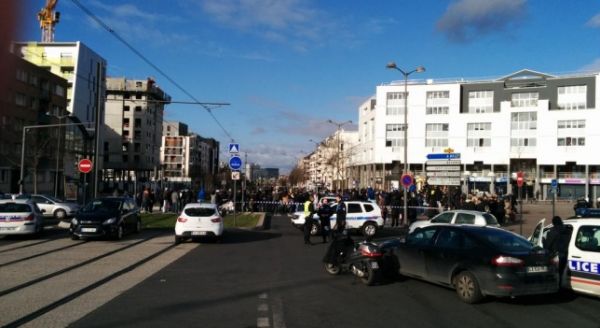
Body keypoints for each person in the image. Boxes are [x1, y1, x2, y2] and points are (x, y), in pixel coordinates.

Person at [543, 216, 571, 286]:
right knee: (562, 273)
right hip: (566, 254)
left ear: (554, 223)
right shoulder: (568, 230)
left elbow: (547, 245)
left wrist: (543, 241)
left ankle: (558, 288)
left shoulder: (553, 231)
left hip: (556, 256)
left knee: (556, 274)